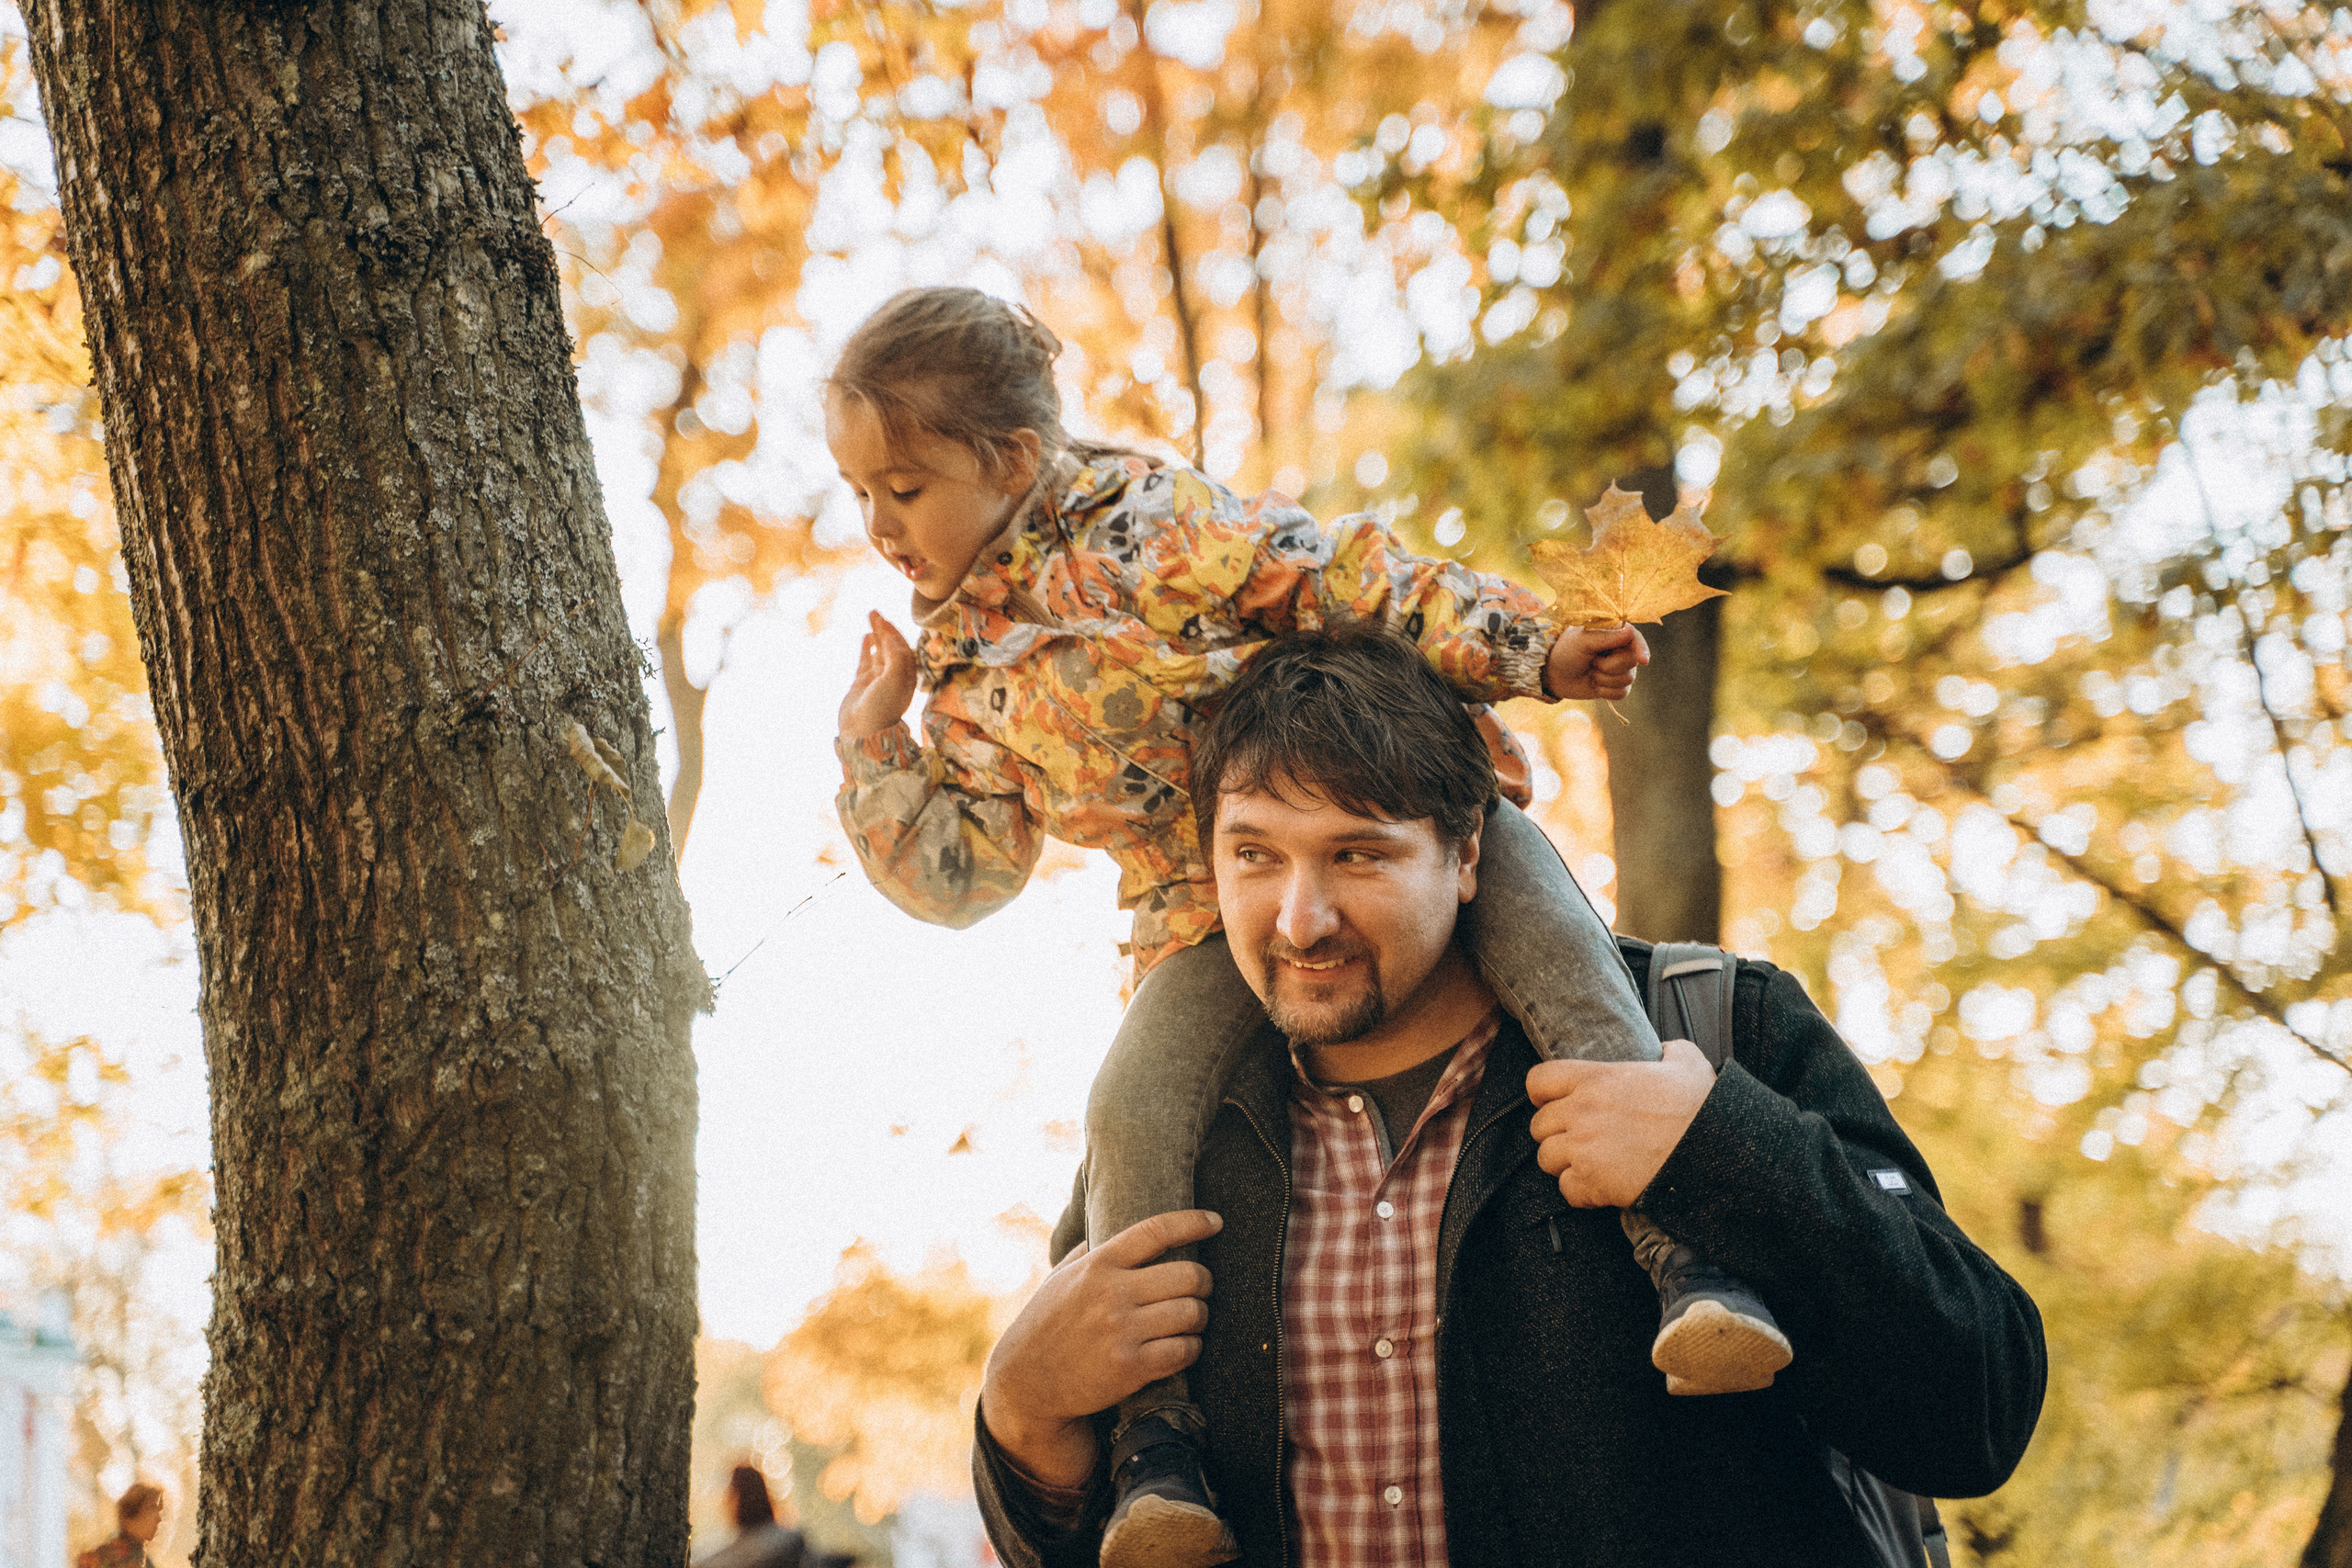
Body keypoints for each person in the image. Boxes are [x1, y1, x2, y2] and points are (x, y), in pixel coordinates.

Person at [829, 288, 1789, 1565]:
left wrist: (1532, 648)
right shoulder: (965, 672)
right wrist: (873, 742)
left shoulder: (1157, 528)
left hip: (1401, 831)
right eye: (860, 497)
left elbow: (1354, 579)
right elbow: (965, 874)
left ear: (1008, 457)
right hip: (1201, 918)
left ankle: (1692, 1265)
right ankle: (1156, 1455)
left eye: (903, 486)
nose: (880, 526)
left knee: (1570, 971)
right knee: (1130, 1109)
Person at [972, 624, 2047, 1568]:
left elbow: (1976, 1406)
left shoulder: (1715, 1030)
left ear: (1469, 851)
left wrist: (1718, 1151)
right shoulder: (1174, 1138)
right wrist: (1020, 1420)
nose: (1300, 919)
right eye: (1255, 855)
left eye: (1358, 854)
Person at [695, 1465, 808, 1568]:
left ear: (738, 1498)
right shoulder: (788, 1536)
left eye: (728, 1496)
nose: (723, 1504)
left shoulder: (776, 1542)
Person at [76, 1483, 164, 1568]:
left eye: (159, 1510)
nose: (159, 1519)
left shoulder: (141, 1557)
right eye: (152, 1509)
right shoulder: (103, 1557)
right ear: (131, 1514)